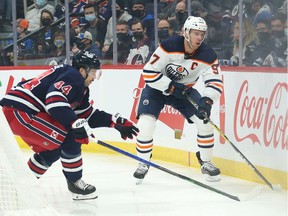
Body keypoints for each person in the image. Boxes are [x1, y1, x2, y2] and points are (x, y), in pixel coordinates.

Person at [0, 51, 139, 200]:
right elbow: (54, 100)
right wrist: (74, 123)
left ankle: (24, 183)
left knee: (52, 150)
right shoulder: (73, 76)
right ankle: (74, 183)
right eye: (93, 72)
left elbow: (85, 114)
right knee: (70, 135)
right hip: (21, 111)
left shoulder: (80, 87)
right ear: (82, 70)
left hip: (19, 111)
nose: (94, 77)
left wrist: (113, 122)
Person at [132, 16, 223, 184]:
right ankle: (143, 162)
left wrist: (207, 100)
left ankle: (206, 162)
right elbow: (149, 72)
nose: (200, 37)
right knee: (145, 124)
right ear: (186, 32)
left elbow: (215, 82)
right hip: (157, 89)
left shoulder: (209, 54)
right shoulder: (169, 45)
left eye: (202, 34)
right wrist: (171, 86)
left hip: (185, 91)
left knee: (205, 122)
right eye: (196, 33)